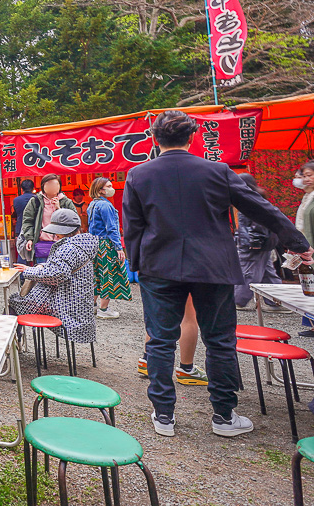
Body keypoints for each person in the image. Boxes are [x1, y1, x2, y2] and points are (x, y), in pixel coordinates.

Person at [123, 110, 313, 438]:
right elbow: (261, 208)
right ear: (193, 138)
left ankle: (164, 414)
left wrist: (139, 265)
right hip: (212, 265)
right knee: (220, 340)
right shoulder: (217, 171)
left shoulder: (139, 175)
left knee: (160, 340)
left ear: (155, 139)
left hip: (159, 266)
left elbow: (132, 228)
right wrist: (297, 243)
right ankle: (224, 416)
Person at [10, 208, 98, 344]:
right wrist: (44, 266)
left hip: (64, 305)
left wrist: (28, 271)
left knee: (14, 305)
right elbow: (65, 268)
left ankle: (11, 345)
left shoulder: (68, 248)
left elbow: (55, 276)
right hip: (79, 305)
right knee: (17, 303)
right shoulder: (83, 244)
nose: (55, 234)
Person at [234, 174, 287, 311]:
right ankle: (277, 301)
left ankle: (239, 300)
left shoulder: (248, 199)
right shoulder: (255, 197)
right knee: (267, 273)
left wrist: (252, 240)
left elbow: (257, 224)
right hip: (260, 242)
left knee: (248, 271)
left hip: (253, 243)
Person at [86, 177, 128, 319]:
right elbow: (111, 228)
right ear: (100, 190)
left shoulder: (92, 204)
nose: (112, 188)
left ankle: (91, 306)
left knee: (96, 275)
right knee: (109, 275)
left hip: (95, 244)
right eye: (108, 186)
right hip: (106, 244)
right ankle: (104, 309)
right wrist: (119, 247)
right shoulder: (105, 206)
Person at [21, 175, 77, 268]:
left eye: (55, 184)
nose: (52, 187)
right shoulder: (35, 201)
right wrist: (30, 238)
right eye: (49, 184)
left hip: (62, 244)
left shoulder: (66, 202)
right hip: (43, 244)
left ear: (60, 186)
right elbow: (27, 221)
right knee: (42, 273)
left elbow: (74, 221)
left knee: (62, 272)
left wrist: (59, 209)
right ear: (43, 186)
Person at [13, 180, 37, 261]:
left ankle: (22, 272)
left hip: (20, 227)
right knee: (35, 252)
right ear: (33, 188)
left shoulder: (16, 200)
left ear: (21, 189)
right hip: (35, 227)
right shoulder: (37, 198)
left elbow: (16, 214)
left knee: (21, 251)